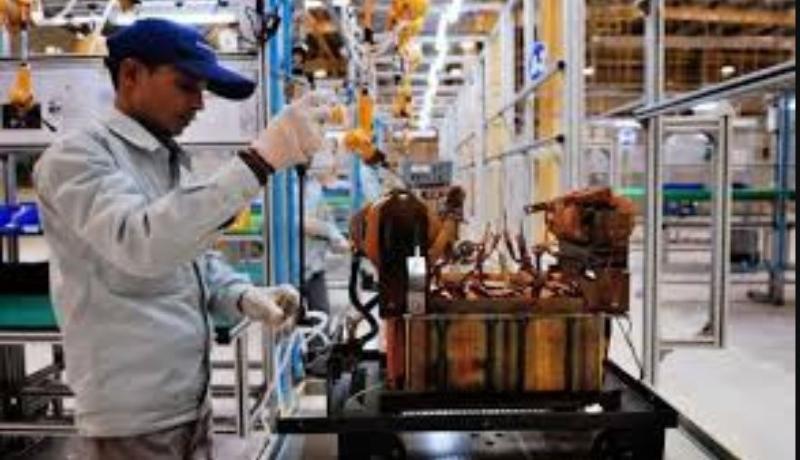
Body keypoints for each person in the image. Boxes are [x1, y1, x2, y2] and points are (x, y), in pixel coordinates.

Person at [32, 18, 330, 460]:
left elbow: (190, 257)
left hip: (190, 406)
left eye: (203, 90)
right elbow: (143, 244)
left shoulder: (162, 159)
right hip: (131, 420)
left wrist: (242, 294)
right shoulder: (76, 158)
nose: (199, 104)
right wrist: (258, 162)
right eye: (186, 86)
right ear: (131, 75)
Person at [303, 145, 350, 319]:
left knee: (322, 319)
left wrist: (338, 242)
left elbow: (325, 219)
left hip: (314, 267)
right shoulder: (296, 186)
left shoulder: (314, 186)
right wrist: (332, 233)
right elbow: (304, 223)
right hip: (296, 269)